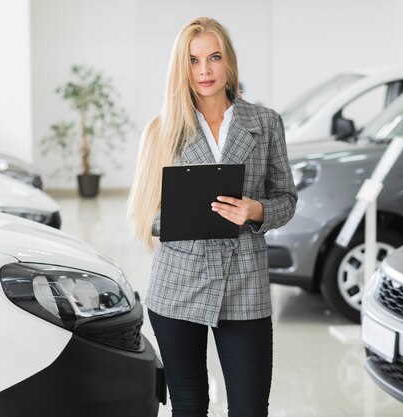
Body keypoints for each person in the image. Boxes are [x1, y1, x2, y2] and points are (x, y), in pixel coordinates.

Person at [127, 17, 297, 417]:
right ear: (181, 68)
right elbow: (146, 215)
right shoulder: (162, 130)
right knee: (188, 407)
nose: (204, 70)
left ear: (229, 62)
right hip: (179, 284)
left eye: (214, 57)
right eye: (193, 60)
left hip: (245, 284)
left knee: (250, 408)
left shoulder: (266, 123)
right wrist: (183, 217)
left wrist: (257, 210)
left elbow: (286, 199)